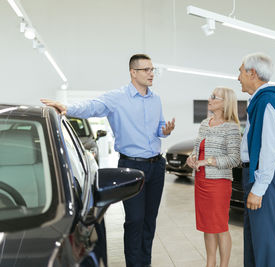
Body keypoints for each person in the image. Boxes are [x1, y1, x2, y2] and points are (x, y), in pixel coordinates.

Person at [41, 54, 175, 267]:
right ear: (133, 72)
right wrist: (67, 108)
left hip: (157, 165)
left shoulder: (155, 99)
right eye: (146, 70)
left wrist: (164, 130)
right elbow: (92, 106)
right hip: (132, 166)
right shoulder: (117, 97)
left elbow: (157, 128)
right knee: (135, 221)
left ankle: (145, 263)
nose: (151, 74)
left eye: (152, 70)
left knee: (149, 221)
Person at [237, 53, 275, 267]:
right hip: (257, 175)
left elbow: (270, 149)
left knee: (264, 241)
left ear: (252, 73)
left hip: (263, 178)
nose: (238, 77)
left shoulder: (267, 102)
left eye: (240, 72)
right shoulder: (260, 101)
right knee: (254, 239)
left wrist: (258, 189)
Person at [186, 87, 241, 267]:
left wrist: (207, 161)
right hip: (201, 181)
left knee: (219, 226)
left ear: (225, 103)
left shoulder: (231, 127)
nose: (209, 99)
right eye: (210, 96)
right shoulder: (204, 123)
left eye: (214, 97)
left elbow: (234, 159)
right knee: (207, 226)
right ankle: (210, 263)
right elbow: (198, 148)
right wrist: (192, 158)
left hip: (218, 183)